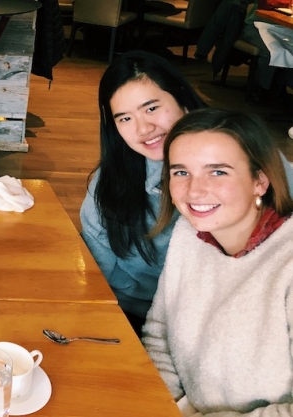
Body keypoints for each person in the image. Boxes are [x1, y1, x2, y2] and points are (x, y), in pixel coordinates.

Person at [79, 50, 293, 336]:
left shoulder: (245, 152)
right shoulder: (111, 181)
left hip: (229, 326)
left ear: (180, 97)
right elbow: (98, 265)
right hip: (131, 315)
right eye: (124, 119)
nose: (144, 128)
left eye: (152, 108)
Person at [144, 108, 293, 415]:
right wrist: (159, 405)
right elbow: (159, 334)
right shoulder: (189, 233)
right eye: (181, 172)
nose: (195, 191)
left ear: (260, 181)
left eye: (218, 171)